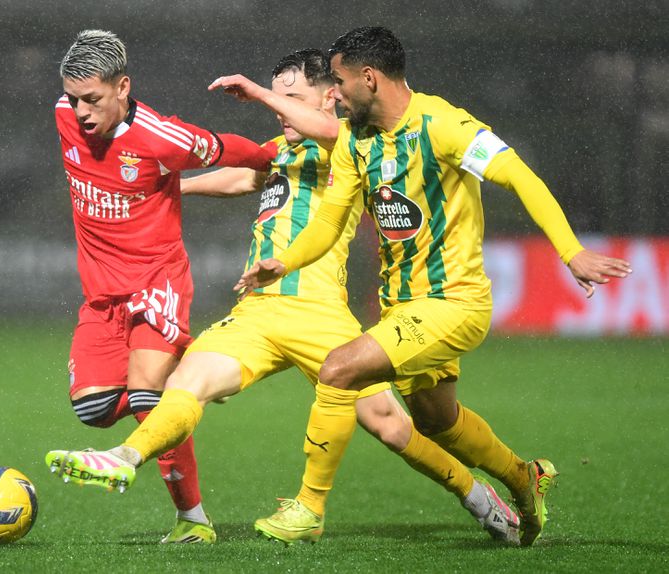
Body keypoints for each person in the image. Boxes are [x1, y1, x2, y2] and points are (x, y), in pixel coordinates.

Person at [46, 48, 521, 546]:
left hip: (321, 316)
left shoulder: (356, 142)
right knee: (186, 383)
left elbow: (335, 133)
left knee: (389, 426)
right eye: (275, 99)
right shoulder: (285, 147)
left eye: (289, 98)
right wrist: (166, 188)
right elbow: (244, 175)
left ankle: (477, 496)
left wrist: (255, 91)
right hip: (258, 313)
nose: (277, 108)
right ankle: (136, 469)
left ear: (331, 97)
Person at [234, 27, 633, 547]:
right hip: (402, 306)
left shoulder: (444, 125)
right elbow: (330, 224)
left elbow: (520, 177)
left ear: (369, 78)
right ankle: (524, 478)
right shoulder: (357, 142)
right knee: (435, 422)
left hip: (455, 302)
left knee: (339, 369)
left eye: (339, 81)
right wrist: (281, 263)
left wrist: (571, 251)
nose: (334, 94)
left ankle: (308, 507)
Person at [48, 29, 276, 545]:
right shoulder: (63, 114)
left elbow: (227, 149)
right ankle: (190, 378)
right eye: (74, 98)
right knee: (93, 409)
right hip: (102, 296)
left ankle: (193, 521)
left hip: (156, 281)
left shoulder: (162, 139)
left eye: (94, 99)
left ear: (123, 86)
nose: (81, 111)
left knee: (149, 393)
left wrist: (272, 160)